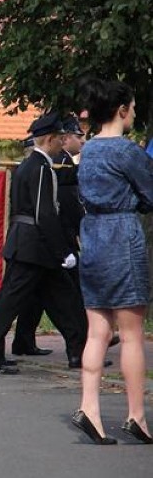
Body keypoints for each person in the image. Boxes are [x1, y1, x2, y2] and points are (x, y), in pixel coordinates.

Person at [71, 78, 153, 445]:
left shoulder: (88, 150)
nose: (134, 113)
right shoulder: (126, 151)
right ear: (121, 110)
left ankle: (89, 408)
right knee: (133, 334)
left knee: (97, 330)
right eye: (133, 107)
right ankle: (136, 416)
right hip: (122, 235)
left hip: (92, 236)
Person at [0, 112, 86, 374]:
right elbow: (44, 213)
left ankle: (79, 351)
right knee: (9, 303)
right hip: (32, 247)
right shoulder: (40, 168)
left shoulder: (32, 165)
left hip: (34, 247)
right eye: (59, 138)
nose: (62, 142)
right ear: (49, 139)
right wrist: (62, 251)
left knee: (66, 300)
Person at [11, 116, 91, 367]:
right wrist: (63, 246)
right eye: (78, 136)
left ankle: (74, 346)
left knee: (41, 296)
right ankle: (80, 347)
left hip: (43, 242)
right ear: (58, 138)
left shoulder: (48, 163)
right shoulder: (48, 165)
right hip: (51, 240)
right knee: (66, 297)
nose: (81, 141)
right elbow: (55, 208)